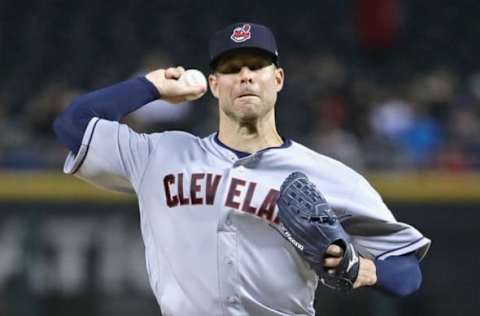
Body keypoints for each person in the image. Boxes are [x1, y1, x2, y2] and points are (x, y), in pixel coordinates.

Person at [53, 22, 431, 315]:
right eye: (232, 69)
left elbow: (407, 273)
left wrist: (359, 268)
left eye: (257, 65)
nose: (246, 76)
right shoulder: (160, 154)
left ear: (277, 79)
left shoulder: (332, 177)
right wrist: (151, 86)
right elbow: (73, 124)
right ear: (214, 85)